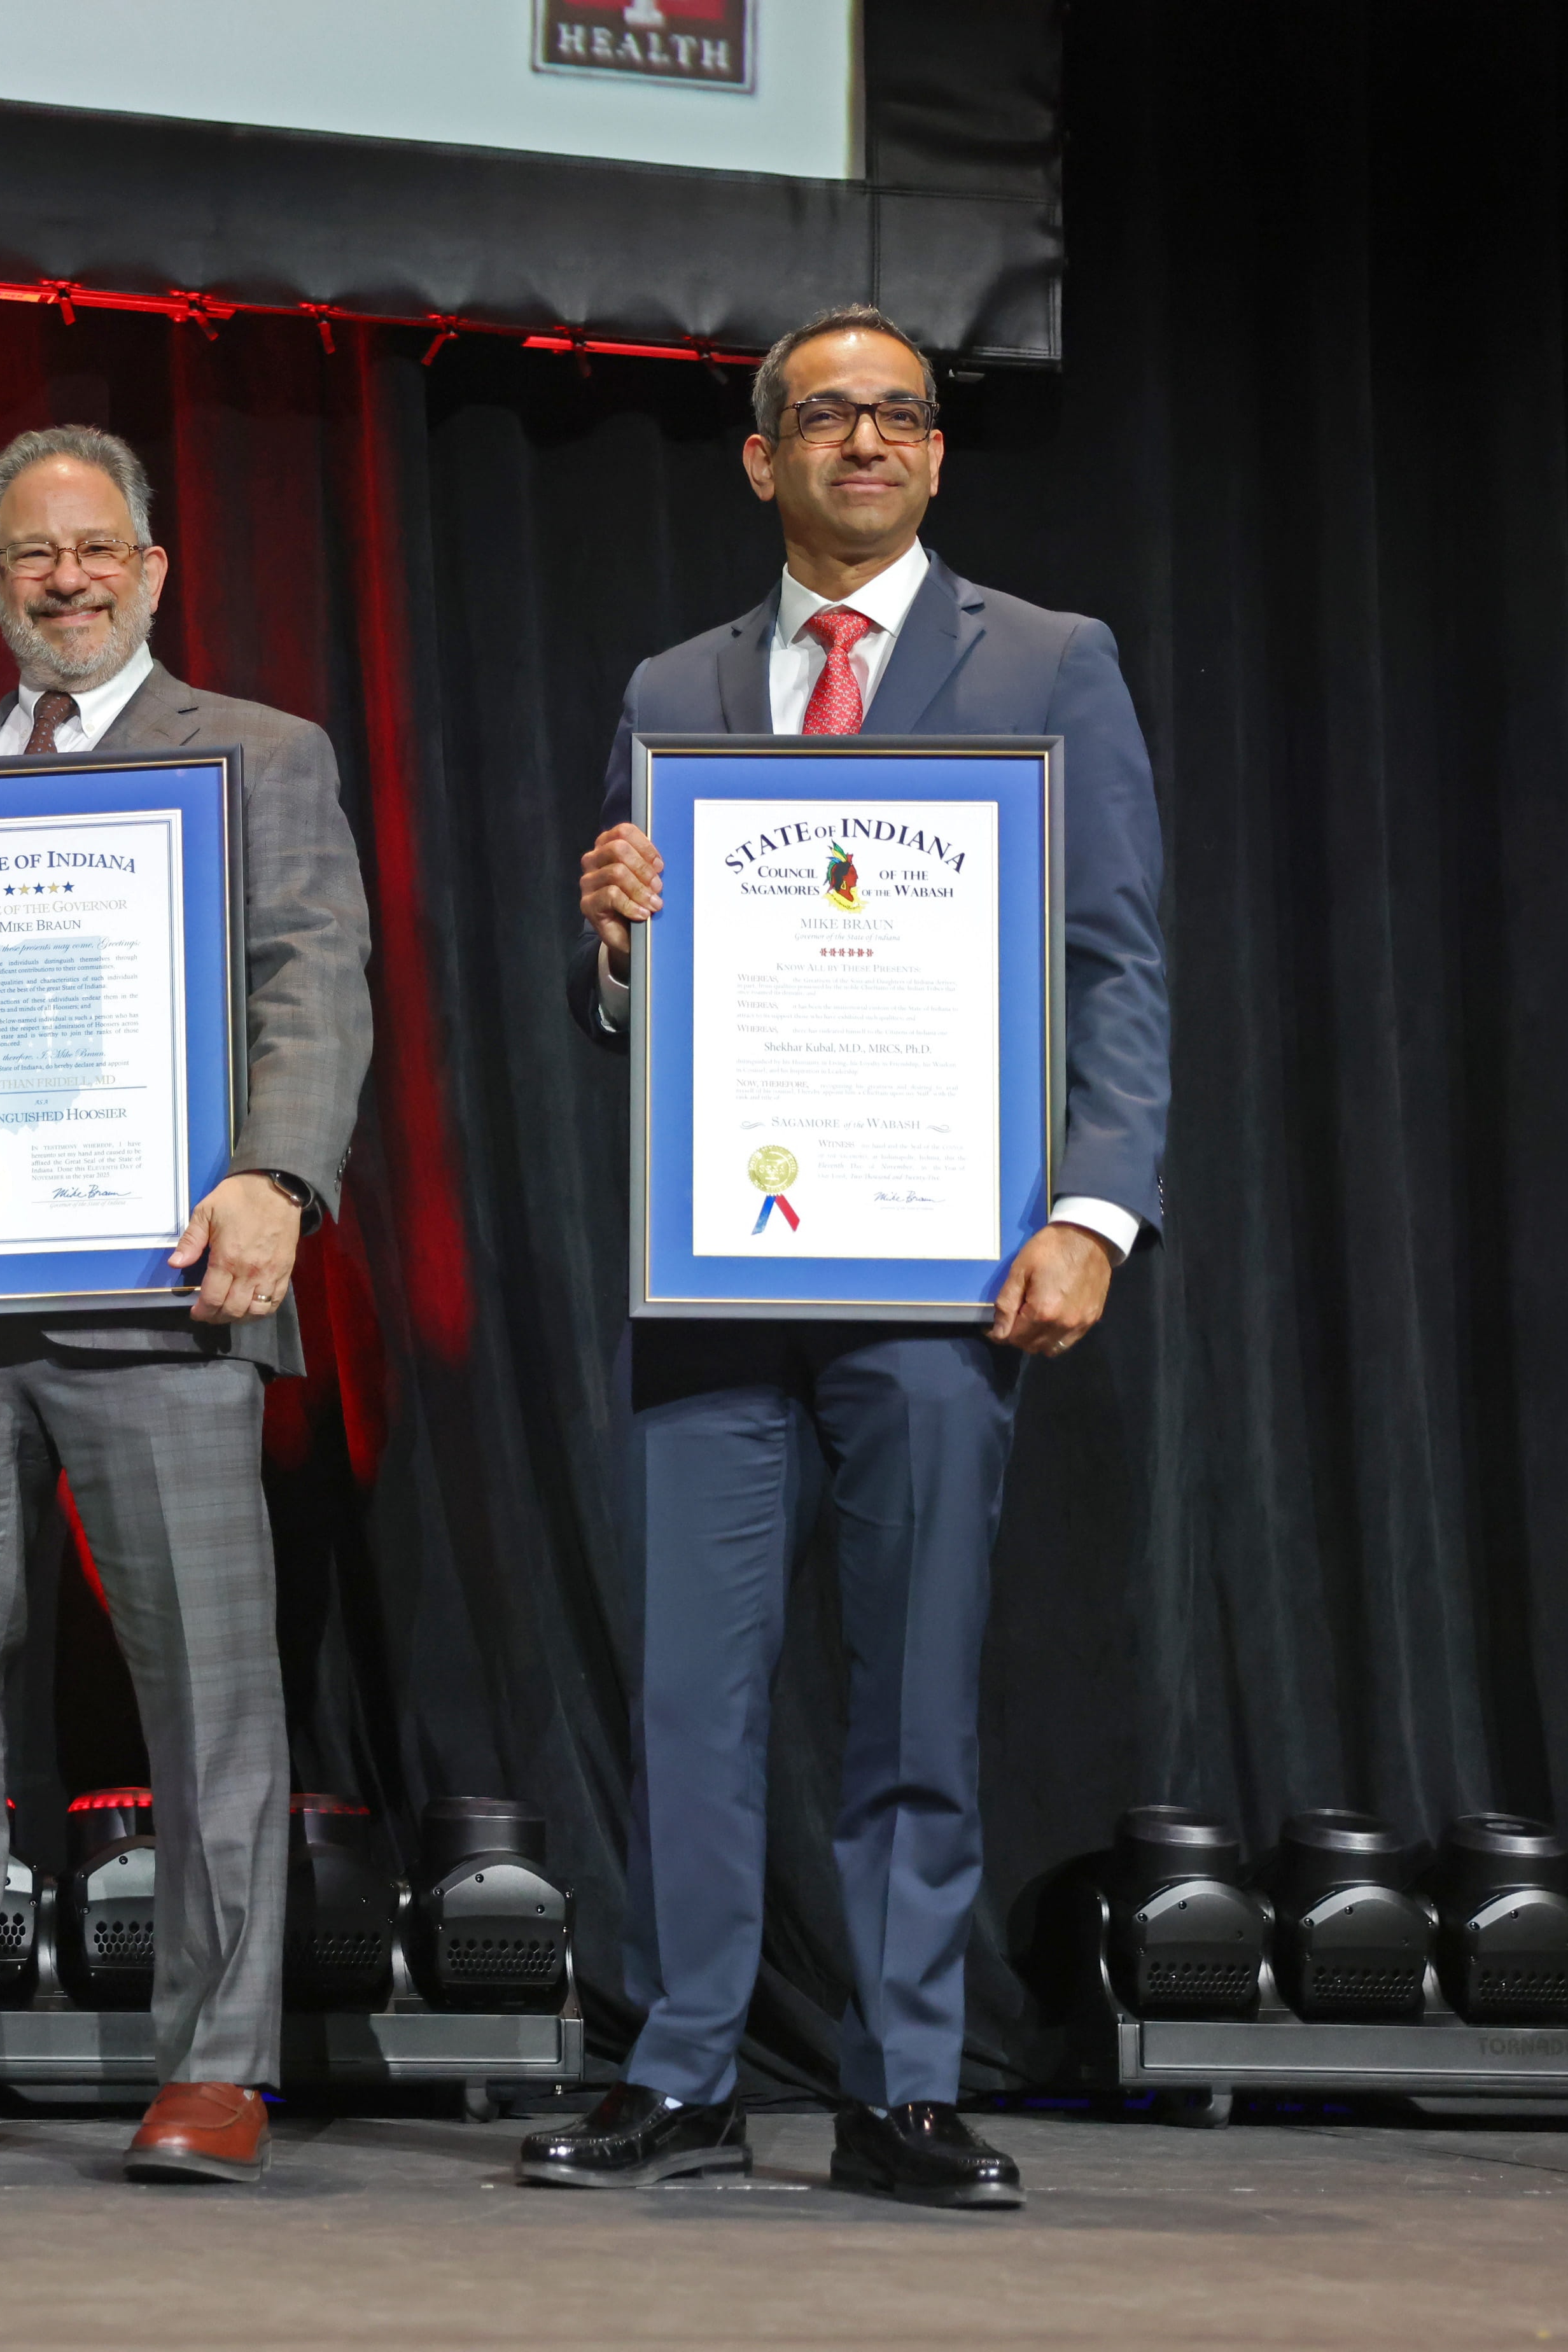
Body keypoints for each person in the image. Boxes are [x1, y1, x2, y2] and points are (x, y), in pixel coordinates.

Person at [522, 304, 1168, 2209]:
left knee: (912, 1698)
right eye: (824, 416)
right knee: (692, 1699)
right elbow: (622, 1009)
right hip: (723, 1270)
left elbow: (1115, 962)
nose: (863, 442)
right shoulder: (671, 684)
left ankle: (898, 2090)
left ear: (936, 456)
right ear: (761, 457)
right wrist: (618, 941)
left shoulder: (1049, 661)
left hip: (941, 1273)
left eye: (898, 414)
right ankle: (685, 2076)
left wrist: (1090, 1208)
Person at [0, 425, 370, 2184]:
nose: (67, 579)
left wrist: (277, 1179)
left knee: (210, 1698)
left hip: (163, 1297)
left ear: (153, 569)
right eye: (32, 557)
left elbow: (310, 980)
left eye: (97, 548)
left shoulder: (257, 756)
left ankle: (215, 2066)